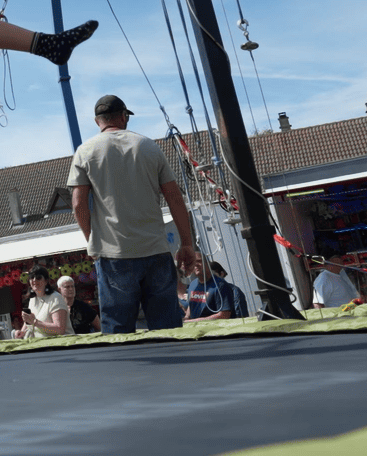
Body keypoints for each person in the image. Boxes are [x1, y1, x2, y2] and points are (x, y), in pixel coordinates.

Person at [68, 94, 198, 333]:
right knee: (168, 331)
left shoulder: (85, 151)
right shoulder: (148, 146)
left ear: (97, 121)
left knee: (118, 333)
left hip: (114, 254)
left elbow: (78, 204)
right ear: (123, 117)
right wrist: (186, 243)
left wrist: (92, 241)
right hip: (155, 250)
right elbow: (174, 198)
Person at [185, 256, 241, 323]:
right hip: (195, 327)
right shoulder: (192, 284)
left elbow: (224, 315)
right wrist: (186, 317)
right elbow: (191, 304)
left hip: (216, 328)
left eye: (199, 261)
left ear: (207, 263)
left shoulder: (220, 285)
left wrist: (193, 321)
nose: (195, 265)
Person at [19, 268, 69, 339]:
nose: (34, 280)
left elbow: (60, 329)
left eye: (38, 277)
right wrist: (21, 333)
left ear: (46, 281)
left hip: (61, 344)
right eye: (32, 277)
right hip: (41, 344)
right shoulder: (32, 300)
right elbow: (29, 323)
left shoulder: (56, 298)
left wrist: (35, 322)